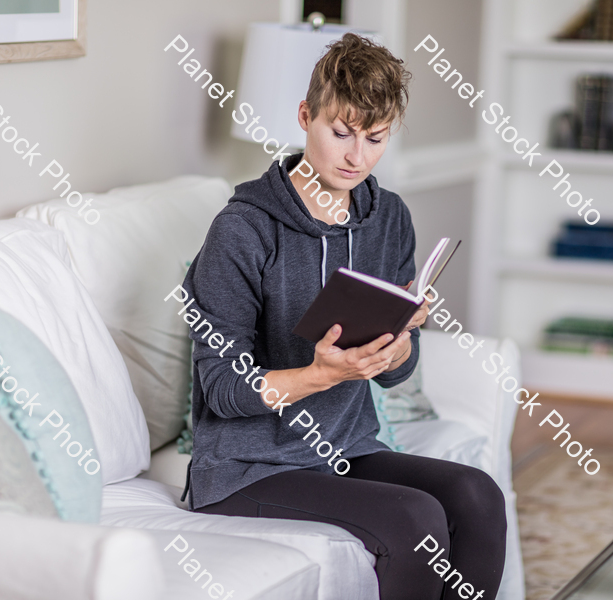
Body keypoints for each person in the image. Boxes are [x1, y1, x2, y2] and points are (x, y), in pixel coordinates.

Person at [182, 32, 506, 600]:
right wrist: (320, 375)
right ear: (306, 117)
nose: (358, 155)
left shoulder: (389, 219)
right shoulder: (243, 229)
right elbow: (220, 387)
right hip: (247, 466)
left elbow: (396, 372)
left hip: (347, 449)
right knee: (414, 519)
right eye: (341, 133)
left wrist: (400, 342)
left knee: (477, 496)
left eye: (376, 138)